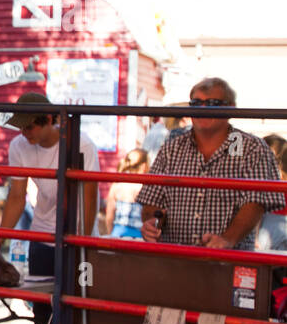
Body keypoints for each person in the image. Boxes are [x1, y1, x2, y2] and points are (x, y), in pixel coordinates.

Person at [0, 92, 101, 324]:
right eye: (20, 126)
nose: (24, 132)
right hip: (43, 234)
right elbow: (16, 196)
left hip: (76, 237)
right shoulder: (19, 147)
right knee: (42, 308)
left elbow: (89, 198)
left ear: (48, 120)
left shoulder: (81, 144)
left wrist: (83, 242)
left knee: (74, 305)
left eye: (29, 125)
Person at [138, 78, 285, 250]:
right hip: (176, 258)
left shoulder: (253, 148)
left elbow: (256, 202)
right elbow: (152, 200)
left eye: (212, 103)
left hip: (229, 261)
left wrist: (227, 240)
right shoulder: (171, 149)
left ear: (230, 109)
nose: (203, 109)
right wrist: (152, 223)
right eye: (196, 103)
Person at [104, 148, 149, 239]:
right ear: (144, 166)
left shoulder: (117, 185)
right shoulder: (144, 186)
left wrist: (111, 233)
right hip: (140, 235)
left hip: (118, 233)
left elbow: (109, 215)